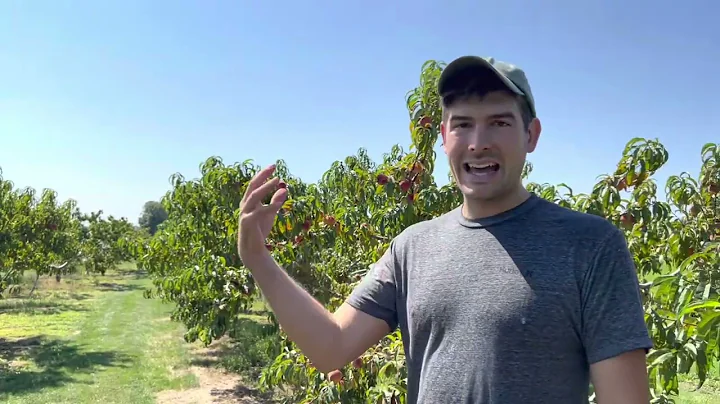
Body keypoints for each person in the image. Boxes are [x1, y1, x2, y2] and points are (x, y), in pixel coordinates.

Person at [237, 55, 653, 404]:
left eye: (500, 123)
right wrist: (259, 259)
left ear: (532, 134)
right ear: (443, 136)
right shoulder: (412, 248)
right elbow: (331, 347)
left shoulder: (590, 245)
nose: (478, 142)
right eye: (462, 124)